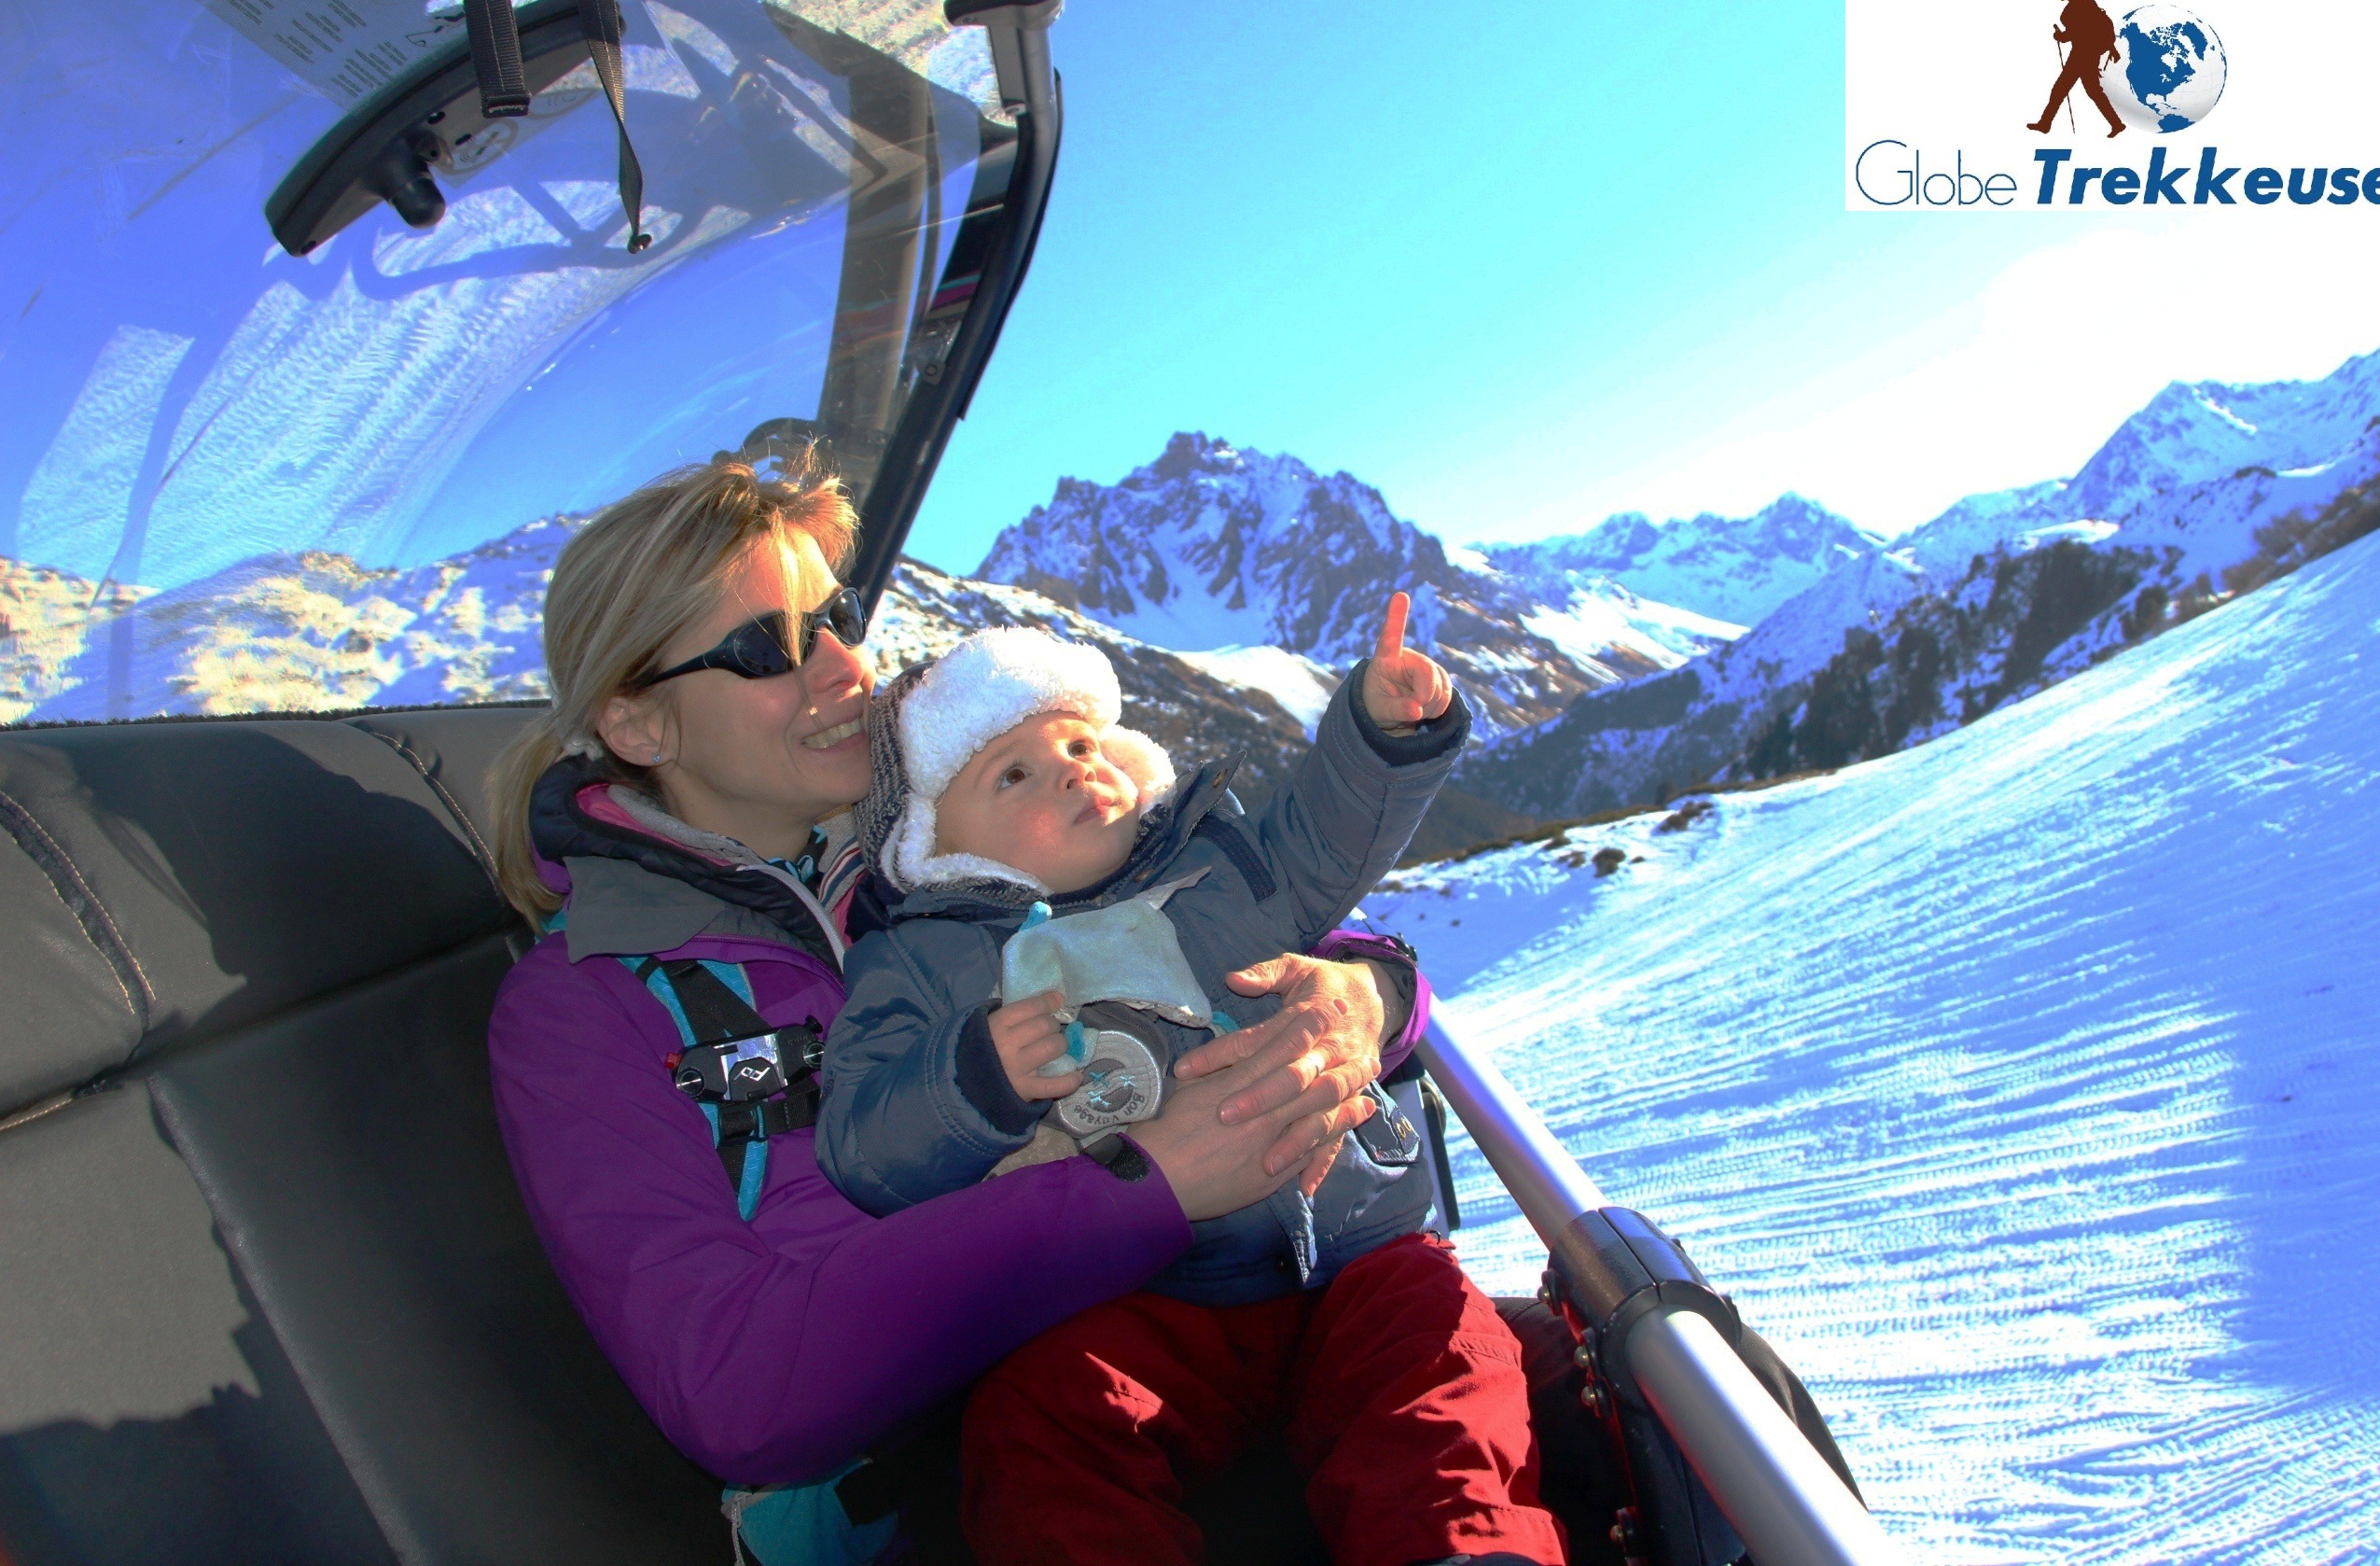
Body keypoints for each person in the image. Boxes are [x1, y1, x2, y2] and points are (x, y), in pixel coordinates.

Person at [483, 456, 1434, 1561]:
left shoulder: (935, 841)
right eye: (769, 646)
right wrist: (1141, 1191)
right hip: (953, 1492)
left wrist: (1373, 994)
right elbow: (734, 1386)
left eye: (837, 616)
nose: (849, 665)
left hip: (1197, 1343)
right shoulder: (584, 1005)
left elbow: (1207, 920)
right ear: (640, 726)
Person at [817, 620, 1568, 1566]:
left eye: (1081, 745)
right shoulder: (928, 961)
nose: (1071, 772)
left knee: (1444, 1371)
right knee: (1044, 1420)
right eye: (1012, 774)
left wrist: (1379, 738)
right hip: (1145, 1296)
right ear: (934, 844)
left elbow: (1326, 836)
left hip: (1359, 1254)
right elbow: (859, 1140)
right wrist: (969, 1078)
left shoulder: (1218, 861)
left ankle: (1462, 1552)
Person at [2028, 0, 2125, 137]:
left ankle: (2045, 124)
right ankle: (2116, 124)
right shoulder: (2086, 2)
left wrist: (2060, 36)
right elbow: (2093, 28)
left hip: (2082, 55)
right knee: (2090, 91)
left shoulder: (2076, 7)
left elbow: (2078, 33)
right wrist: (2111, 47)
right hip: (2087, 54)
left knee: (2062, 90)